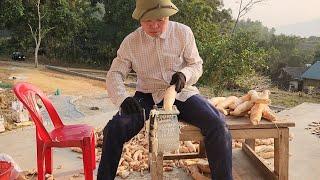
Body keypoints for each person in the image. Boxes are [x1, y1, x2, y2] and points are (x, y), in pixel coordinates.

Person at [97, 0, 233, 179]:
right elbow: (114, 73)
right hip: (146, 95)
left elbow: (196, 65)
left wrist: (184, 75)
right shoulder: (131, 42)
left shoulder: (183, 33)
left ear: (168, 16)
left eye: (160, 20)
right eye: (148, 21)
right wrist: (122, 98)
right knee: (114, 128)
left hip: (180, 92)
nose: (154, 26)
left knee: (218, 125)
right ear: (139, 19)